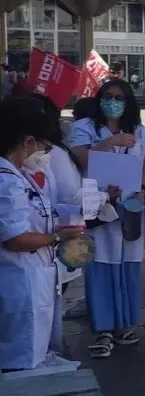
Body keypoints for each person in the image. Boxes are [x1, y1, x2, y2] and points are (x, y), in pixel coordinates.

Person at [64, 79, 145, 357]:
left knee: (127, 265)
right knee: (102, 265)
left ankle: (125, 325)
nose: (113, 102)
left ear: (128, 102)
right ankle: (103, 329)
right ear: (100, 99)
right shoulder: (84, 128)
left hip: (129, 209)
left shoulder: (138, 130)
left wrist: (142, 189)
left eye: (119, 97)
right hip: (100, 206)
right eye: (108, 96)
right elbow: (82, 160)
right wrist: (112, 141)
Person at [0, 96, 84, 372]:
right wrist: (59, 237)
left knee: (34, 349)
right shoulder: (7, 180)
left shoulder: (19, 172)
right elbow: (16, 238)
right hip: (18, 278)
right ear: (27, 141)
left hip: (34, 274)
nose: (46, 148)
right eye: (41, 142)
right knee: (21, 361)